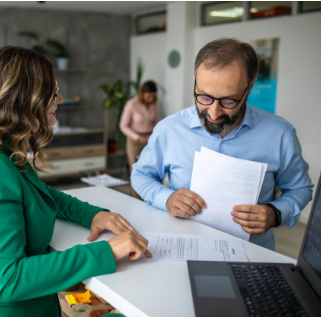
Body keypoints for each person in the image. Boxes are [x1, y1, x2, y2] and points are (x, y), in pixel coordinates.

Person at [0, 46, 152, 317]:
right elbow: (9, 280)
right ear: (25, 100)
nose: (60, 99)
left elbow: (39, 192)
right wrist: (107, 251)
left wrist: (94, 215)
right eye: (52, 93)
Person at [131, 38, 313, 250]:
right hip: (181, 250)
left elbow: (300, 188)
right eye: (204, 97)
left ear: (250, 87)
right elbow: (140, 174)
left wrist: (276, 213)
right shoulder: (169, 129)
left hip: (252, 256)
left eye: (228, 101)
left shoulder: (281, 134)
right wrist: (167, 198)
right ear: (195, 83)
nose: (214, 113)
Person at [119, 80, 159, 199]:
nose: (151, 99)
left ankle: (150, 197)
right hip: (135, 140)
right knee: (136, 169)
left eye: (153, 96)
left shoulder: (154, 104)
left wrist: (156, 133)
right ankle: (136, 198)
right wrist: (138, 137)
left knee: (151, 168)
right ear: (142, 93)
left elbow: (156, 120)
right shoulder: (132, 104)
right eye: (148, 96)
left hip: (149, 139)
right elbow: (123, 126)